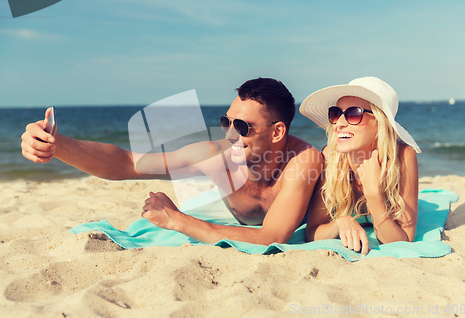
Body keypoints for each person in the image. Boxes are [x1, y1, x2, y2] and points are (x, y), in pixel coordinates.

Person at [21, 78, 323, 245]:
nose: (230, 134)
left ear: (277, 131)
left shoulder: (304, 160)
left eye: (242, 127)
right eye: (225, 122)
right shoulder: (216, 156)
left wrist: (177, 220)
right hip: (227, 218)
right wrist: (57, 146)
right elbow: (129, 163)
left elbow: (273, 237)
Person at [299, 77, 421, 256]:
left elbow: (402, 242)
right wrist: (340, 223)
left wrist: (374, 195)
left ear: (380, 123)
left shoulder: (402, 157)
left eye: (353, 114)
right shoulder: (331, 157)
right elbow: (312, 232)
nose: (339, 123)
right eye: (335, 113)